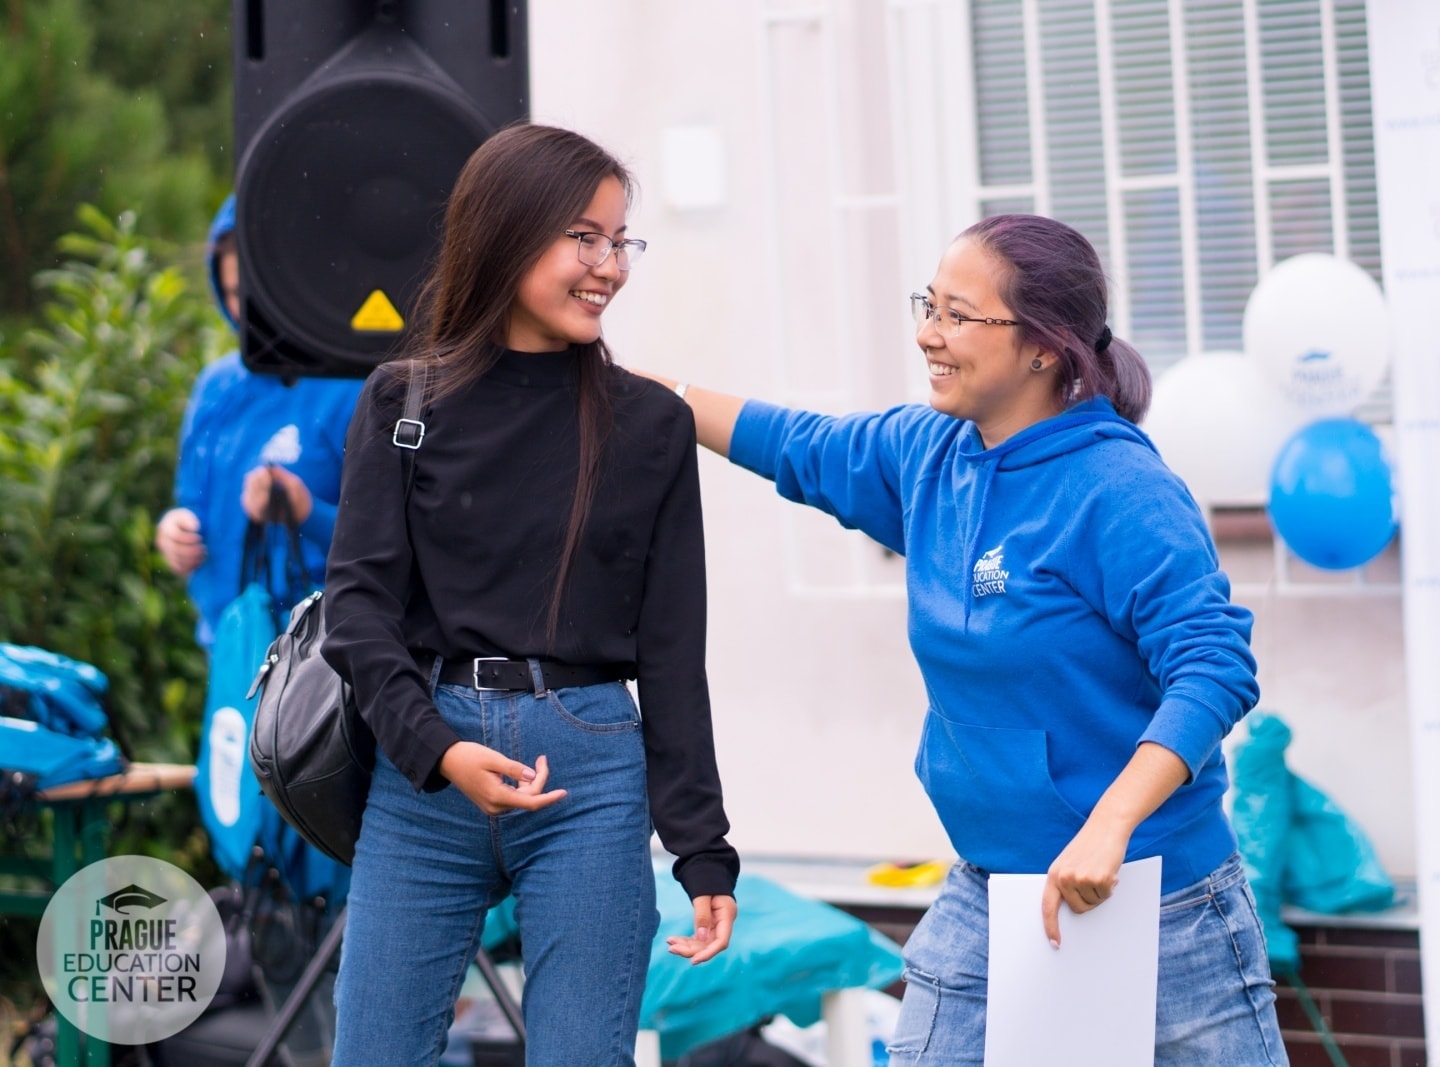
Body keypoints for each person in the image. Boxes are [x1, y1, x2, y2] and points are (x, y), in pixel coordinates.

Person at [643, 214, 1289, 1065]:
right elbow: (794, 443)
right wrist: (643, 395)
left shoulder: (1119, 488)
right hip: (993, 891)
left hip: (1161, 903)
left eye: (956, 315)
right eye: (928, 305)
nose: (927, 334)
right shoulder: (929, 453)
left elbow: (1212, 664)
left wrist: (1111, 823)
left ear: (1043, 347)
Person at [319, 124, 739, 1066]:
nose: (609, 266)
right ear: (505, 234)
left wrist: (702, 847)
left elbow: (674, 653)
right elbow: (356, 610)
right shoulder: (404, 402)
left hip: (590, 774)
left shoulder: (653, 426)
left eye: (620, 239)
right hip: (425, 768)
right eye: (582, 238)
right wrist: (436, 750)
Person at [155, 194, 364, 647]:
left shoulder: (353, 387)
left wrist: (305, 511)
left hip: (322, 666)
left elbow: (387, 544)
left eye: (258, 291)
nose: (247, 311)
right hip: (233, 653)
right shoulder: (217, 386)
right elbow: (193, 499)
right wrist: (178, 530)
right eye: (232, 293)